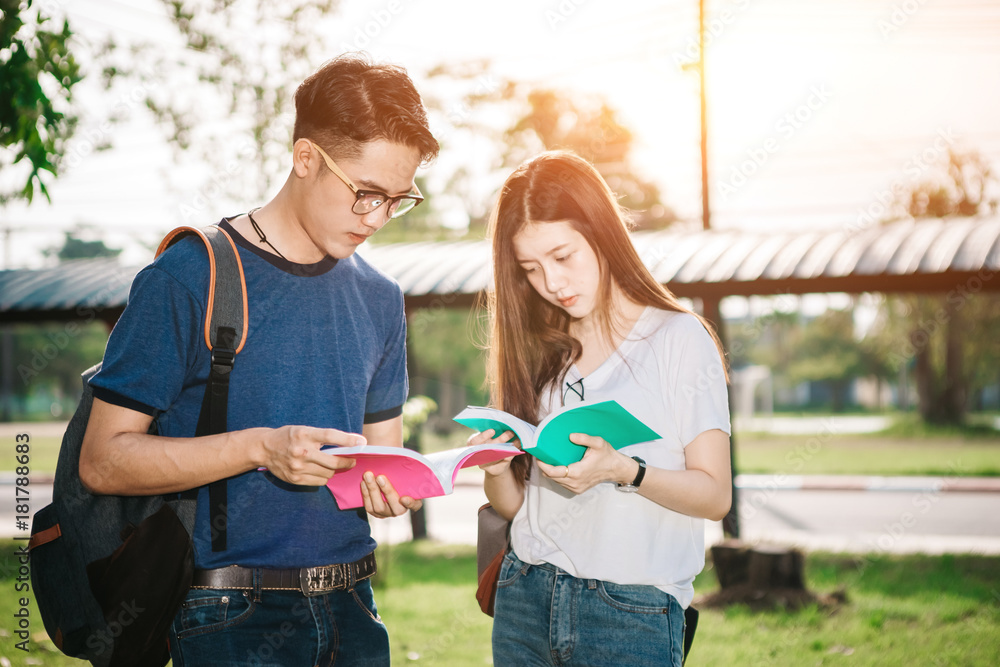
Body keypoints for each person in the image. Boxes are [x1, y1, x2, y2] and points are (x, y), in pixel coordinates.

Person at [78, 53, 438, 666]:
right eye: (366, 194)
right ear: (305, 158)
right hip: (227, 618)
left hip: (356, 611)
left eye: (397, 200)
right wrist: (260, 449)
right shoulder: (189, 276)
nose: (376, 219)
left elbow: (380, 458)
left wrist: (400, 489)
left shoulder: (381, 298)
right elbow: (103, 462)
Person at [471, 150, 732, 666]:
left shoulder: (678, 339)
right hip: (525, 596)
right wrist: (497, 470)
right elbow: (520, 510)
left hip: (630, 612)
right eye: (531, 268)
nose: (552, 284)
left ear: (602, 233)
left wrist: (623, 471)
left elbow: (715, 496)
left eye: (563, 256)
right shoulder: (540, 348)